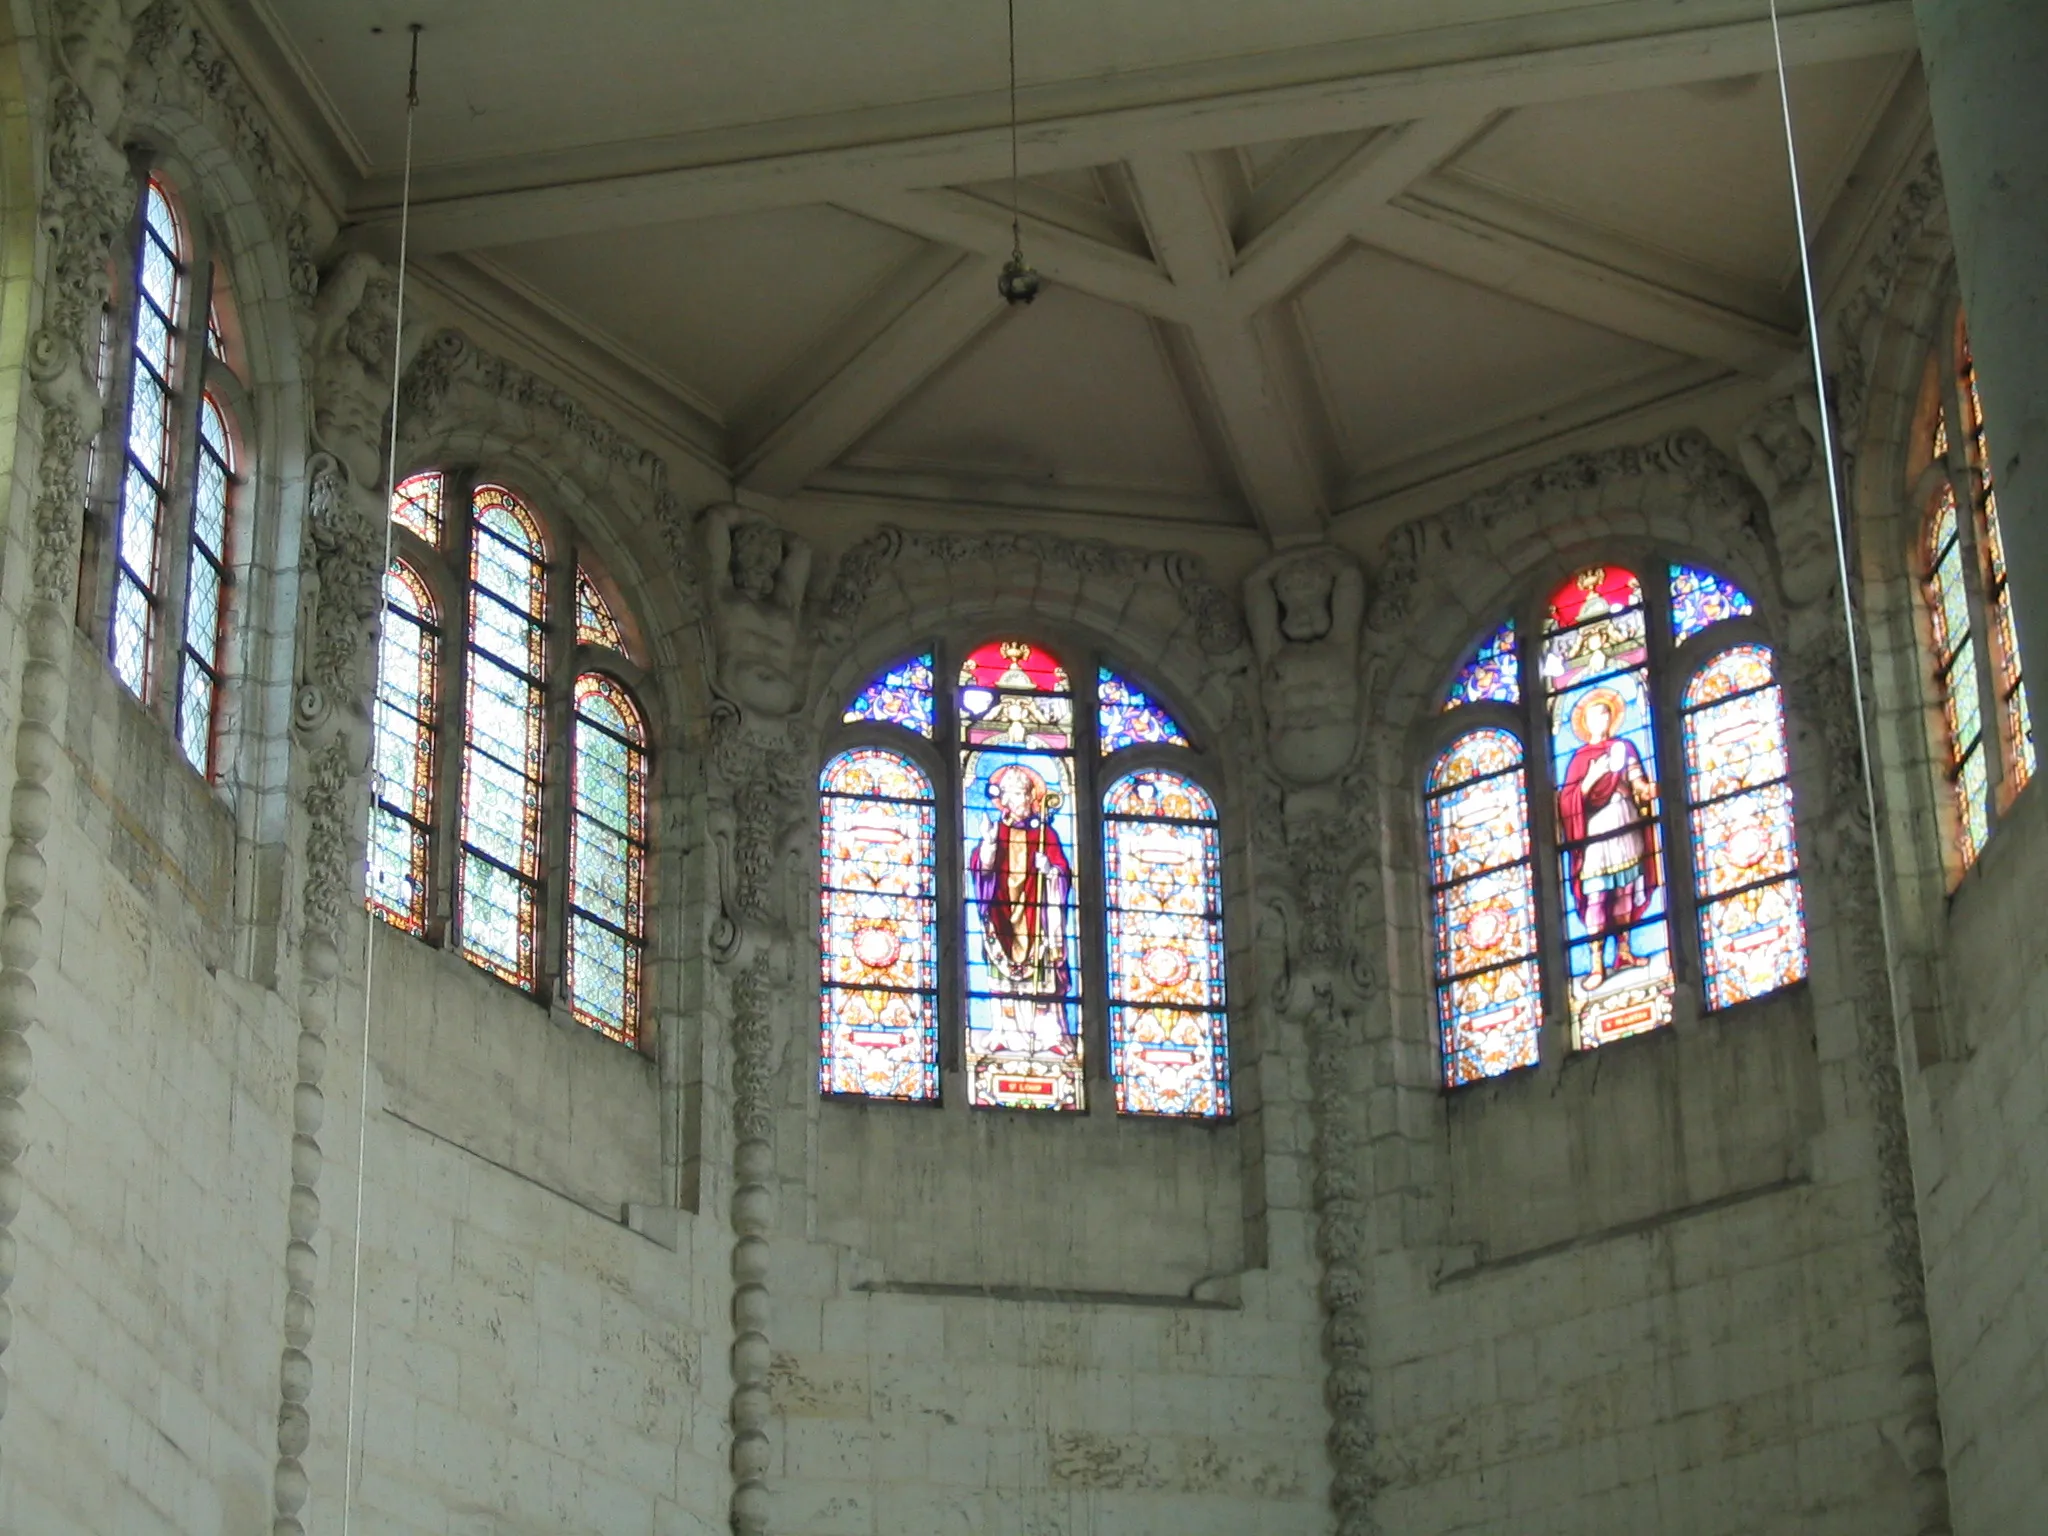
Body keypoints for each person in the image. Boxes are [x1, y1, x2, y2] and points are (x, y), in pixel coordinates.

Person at [1557, 688, 1659, 991]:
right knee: (1598, 896)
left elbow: (1637, 780)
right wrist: (1589, 779)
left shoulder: (1623, 747)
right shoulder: (1578, 759)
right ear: (1585, 722)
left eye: (1605, 713)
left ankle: (1624, 951)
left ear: (1612, 717)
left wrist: (1647, 788)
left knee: (1626, 890)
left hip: (1625, 825)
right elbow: (1567, 802)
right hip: (1596, 834)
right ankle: (1597, 962)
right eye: (1594, 714)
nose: (1600, 718)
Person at [969, 762, 1074, 1053]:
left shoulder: (1046, 835)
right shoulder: (996, 832)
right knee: (1002, 975)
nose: (1021, 801)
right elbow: (980, 870)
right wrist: (988, 846)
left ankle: (1048, 1036)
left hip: (1035, 916)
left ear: (1032, 797)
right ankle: (1004, 1032)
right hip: (1002, 915)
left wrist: (1050, 869)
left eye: (1024, 794)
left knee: (1043, 974)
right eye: (1013, 795)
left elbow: (1062, 873)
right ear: (1003, 799)